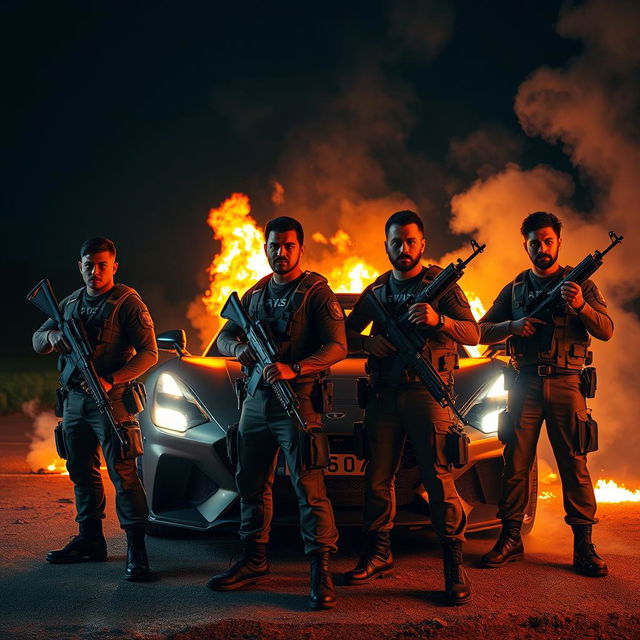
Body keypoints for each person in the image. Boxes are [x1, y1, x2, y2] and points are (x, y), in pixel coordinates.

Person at [208, 216, 347, 610]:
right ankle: (253, 561)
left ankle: (321, 571)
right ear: (265, 248)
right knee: (250, 483)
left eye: (288, 246)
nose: (280, 253)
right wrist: (240, 350)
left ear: (301, 248)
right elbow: (223, 337)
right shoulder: (255, 294)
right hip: (256, 402)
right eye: (274, 246)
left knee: (310, 488)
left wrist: (296, 368)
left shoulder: (316, 291)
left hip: (298, 400)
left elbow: (337, 346)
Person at [343, 210, 479, 605]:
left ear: (422, 244)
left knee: (439, 480)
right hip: (385, 395)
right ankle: (378, 554)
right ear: (386, 246)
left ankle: (453, 566)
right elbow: (348, 332)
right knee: (376, 479)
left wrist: (440, 320)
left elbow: (474, 331)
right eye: (396, 242)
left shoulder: (442, 287)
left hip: (426, 395)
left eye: (410, 241)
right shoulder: (377, 292)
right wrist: (368, 344)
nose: (403, 248)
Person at [479, 211, 613, 576]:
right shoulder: (517, 289)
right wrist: (513, 326)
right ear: (526, 245)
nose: (542, 248)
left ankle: (584, 546)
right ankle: (510, 538)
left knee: (574, 463)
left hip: (567, 382)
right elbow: (480, 331)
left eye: (548, 241)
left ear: (558, 242)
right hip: (524, 383)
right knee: (515, 462)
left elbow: (606, 329)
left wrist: (581, 306)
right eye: (534, 242)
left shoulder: (578, 284)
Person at [32, 237, 158, 581]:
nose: (95, 271)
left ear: (114, 267)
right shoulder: (69, 303)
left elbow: (149, 353)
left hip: (112, 401)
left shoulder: (127, 303)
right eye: (89, 265)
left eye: (102, 265)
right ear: (80, 266)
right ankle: (90, 540)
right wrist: (53, 336)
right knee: (80, 471)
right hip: (74, 401)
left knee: (124, 474)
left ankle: (136, 548)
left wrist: (111, 380)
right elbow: (37, 340)